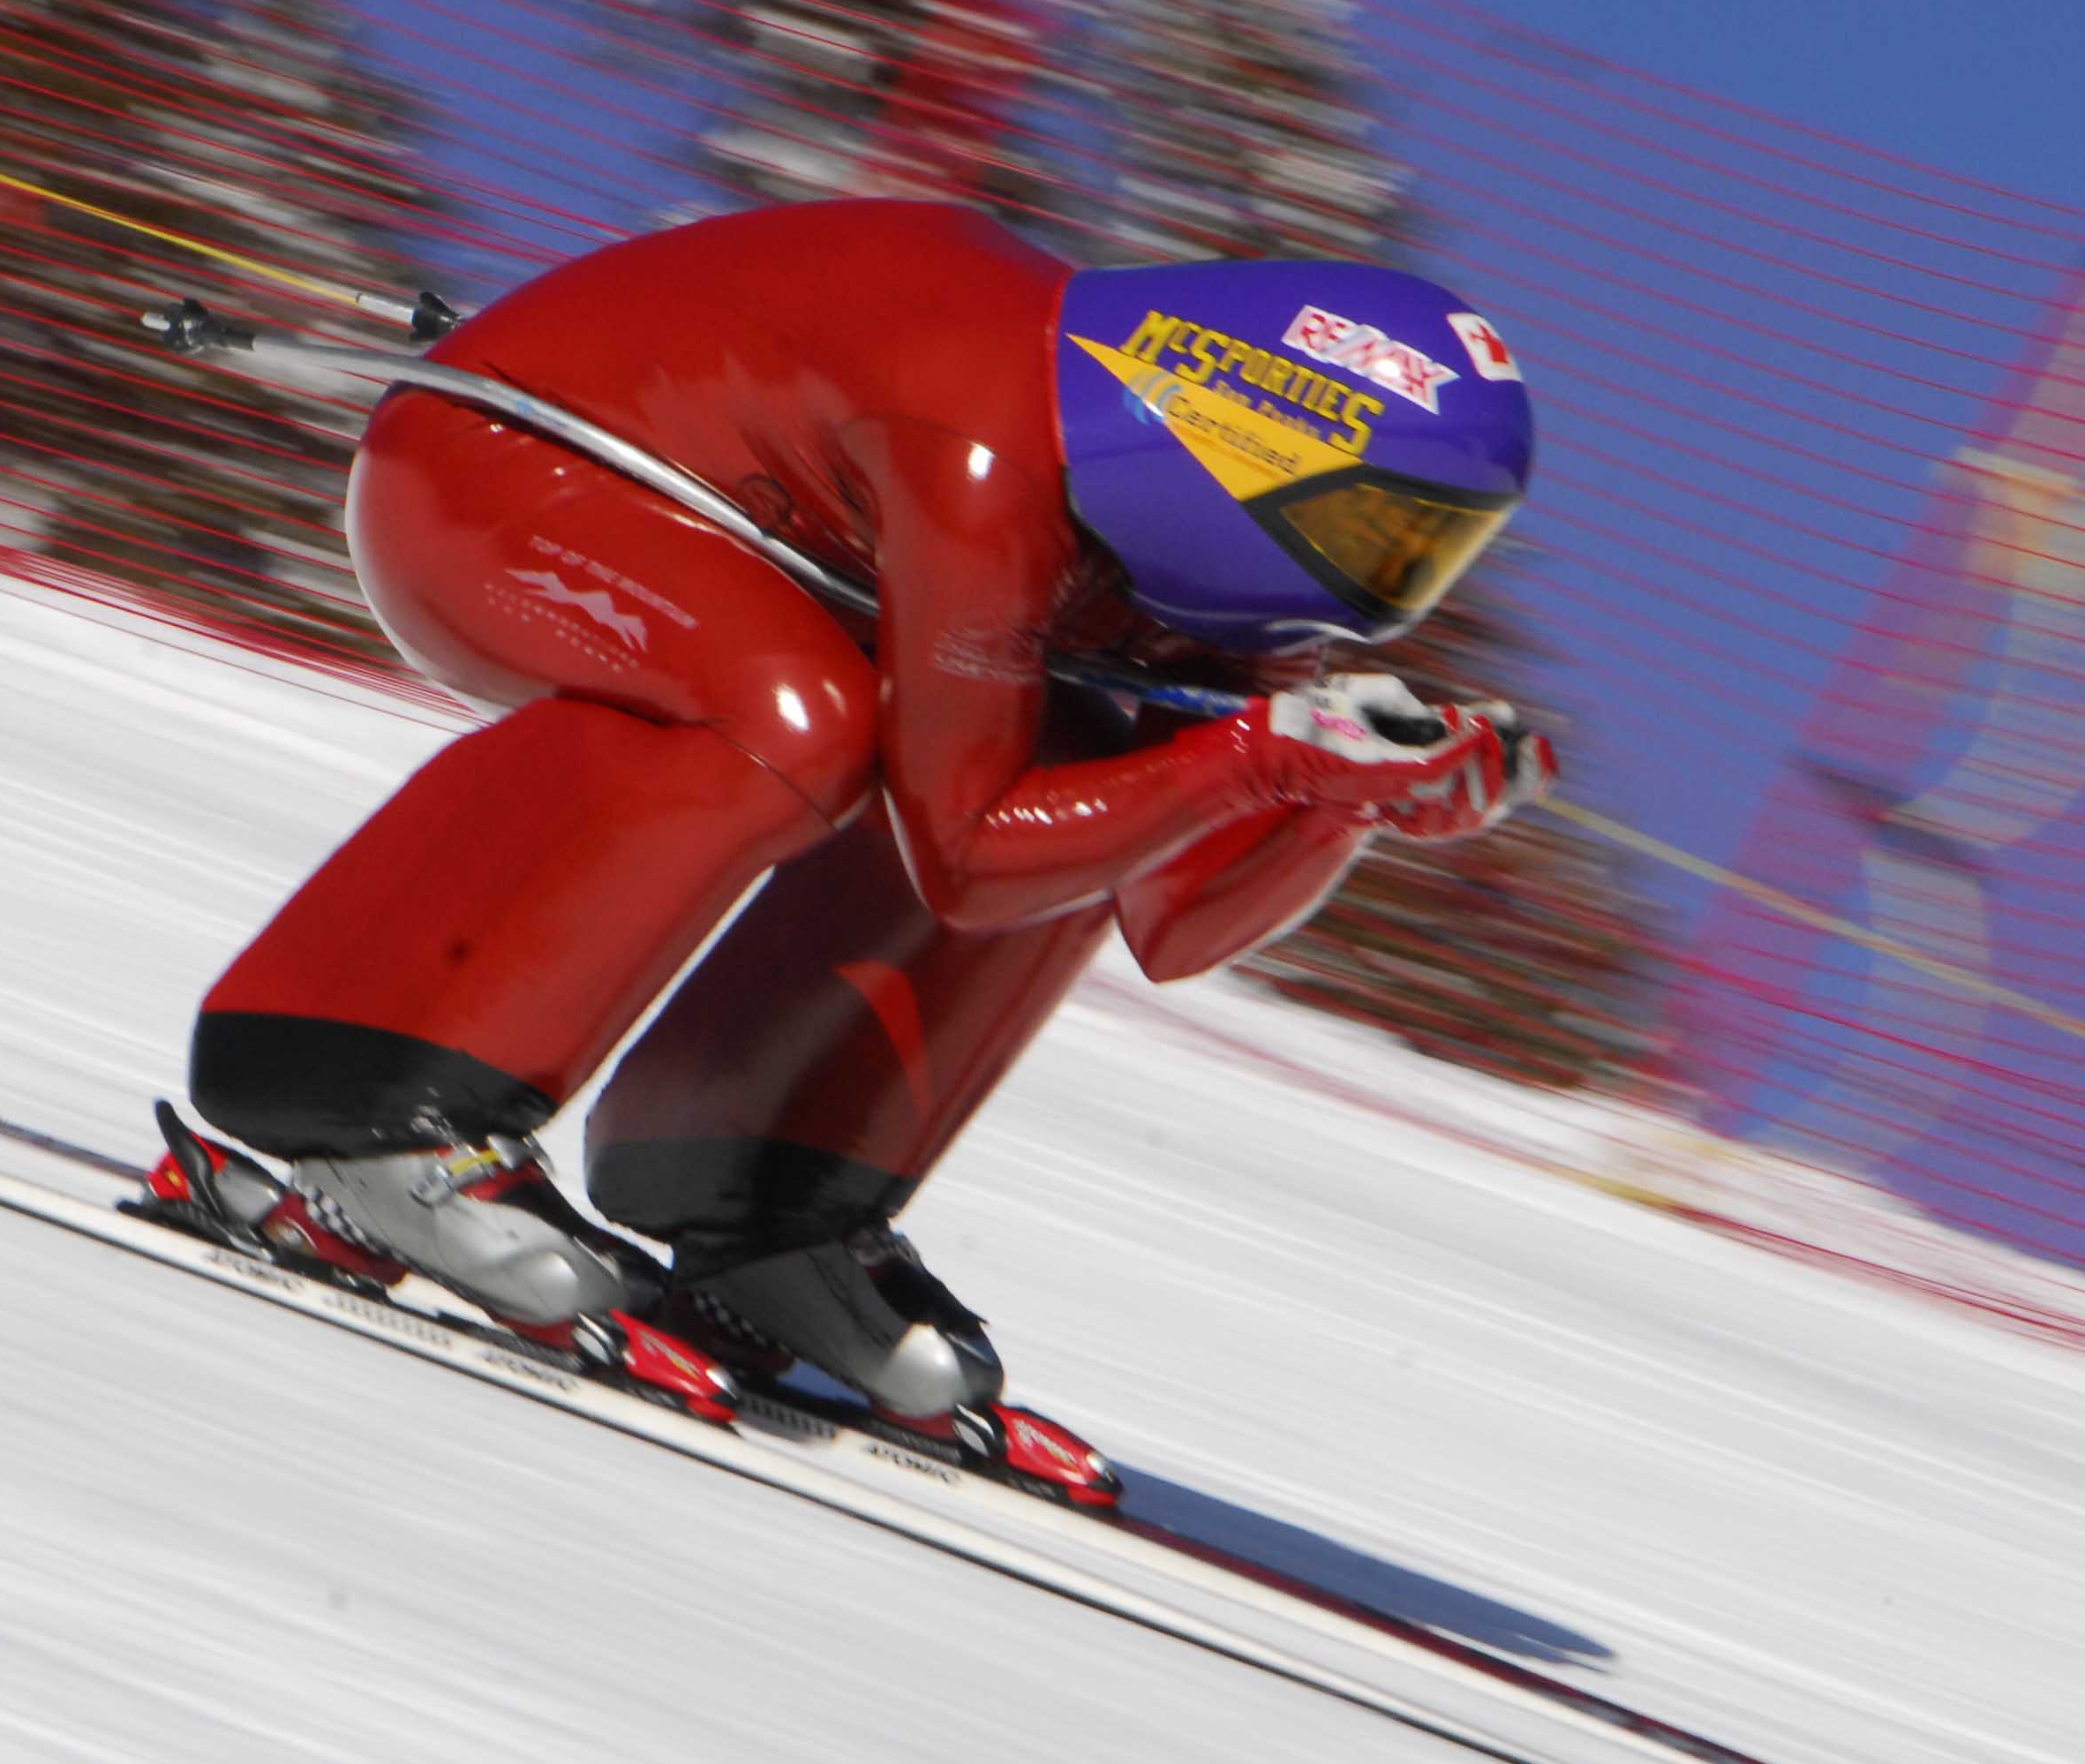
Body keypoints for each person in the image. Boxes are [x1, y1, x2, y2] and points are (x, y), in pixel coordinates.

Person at [147, 200, 1550, 1488]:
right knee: (793, 717)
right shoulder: (991, 440)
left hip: (718, 544)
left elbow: (1178, 917)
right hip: (494, 474)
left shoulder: (1190, 550)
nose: (1377, 589)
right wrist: (1259, 757)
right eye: (1367, 527)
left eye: (1425, 553)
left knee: (1099, 771)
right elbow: (975, 859)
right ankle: (350, 1095)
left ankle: (758, 1202)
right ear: (1241, 436)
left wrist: (1344, 795)